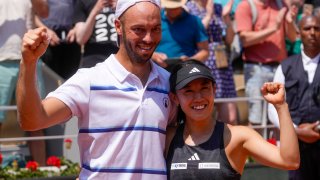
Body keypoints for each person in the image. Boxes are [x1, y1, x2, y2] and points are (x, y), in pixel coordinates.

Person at [17, 0, 175, 179]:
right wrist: (28, 64)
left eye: (155, 29)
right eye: (138, 29)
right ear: (118, 26)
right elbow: (32, 121)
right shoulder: (89, 80)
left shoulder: (169, 82)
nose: (148, 38)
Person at [166, 60, 300, 179]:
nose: (198, 97)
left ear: (214, 90)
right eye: (188, 91)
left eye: (204, 88)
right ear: (175, 98)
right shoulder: (167, 138)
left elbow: (290, 161)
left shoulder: (238, 136)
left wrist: (281, 106)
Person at [268, 14, 320, 180]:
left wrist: (317, 130)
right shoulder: (285, 67)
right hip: (296, 145)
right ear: (299, 34)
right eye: (307, 28)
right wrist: (296, 130)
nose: (312, 32)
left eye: (317, 29)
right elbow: (273, 107)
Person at [0, 0, 48, 166]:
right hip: (1, 61)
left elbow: (44, 12)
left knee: (37, 119)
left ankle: (42, 171)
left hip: (30, 59)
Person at [234, 0, 298, 127]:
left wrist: (290, 22)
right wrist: (274, 28)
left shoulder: (281, 4)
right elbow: (245, 40)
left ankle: (276, 147)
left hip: (280, 69)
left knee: (280, 119)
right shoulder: (246, 6)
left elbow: (292, 37)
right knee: (257, 120)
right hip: (257, 69)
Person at [186, 0, 238, 125]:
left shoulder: (219, 8)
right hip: (202, 63)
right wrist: (209, 15)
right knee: (203, 117)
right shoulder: (188, 8)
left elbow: (229, 40)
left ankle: (227, 143)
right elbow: (194, 34)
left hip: (222, 65)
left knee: (230, 119)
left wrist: (227, 18)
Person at [152, 0, 209, 72]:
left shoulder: (194, 21)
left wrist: (190, 60)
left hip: (185, 72)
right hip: (157, 71)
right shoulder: (154, 19)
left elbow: (204, 51)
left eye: (175, 8)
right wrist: (153, 56)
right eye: (170, 8)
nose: (173, 10)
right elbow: (143, 45)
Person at [35, 0, 81, 79]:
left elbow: (82, 9)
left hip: (70, 38)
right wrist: (46, 30)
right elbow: (32, 15)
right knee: (49, 78)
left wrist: (76, 28)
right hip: (47, 38)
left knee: (71, 78)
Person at [74, 0, 119, 68]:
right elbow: (80, 39)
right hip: (93, 60)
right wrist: (96, 9)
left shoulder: (124, 2)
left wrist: (120, 8)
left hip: (119, 59)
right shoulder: (83, 2)